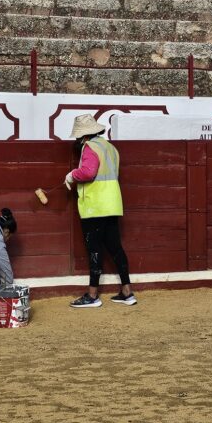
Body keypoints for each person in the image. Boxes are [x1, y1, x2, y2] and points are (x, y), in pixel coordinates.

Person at [64, 114, 136, 308]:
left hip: (95, 206)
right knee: (115, 248)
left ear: (84, 136)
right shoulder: (110, 148)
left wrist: (72, 175)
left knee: (94, 251)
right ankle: (127, 292)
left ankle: (93, 295)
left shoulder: (90, 147)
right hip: (112, 203)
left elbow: (88, 172)